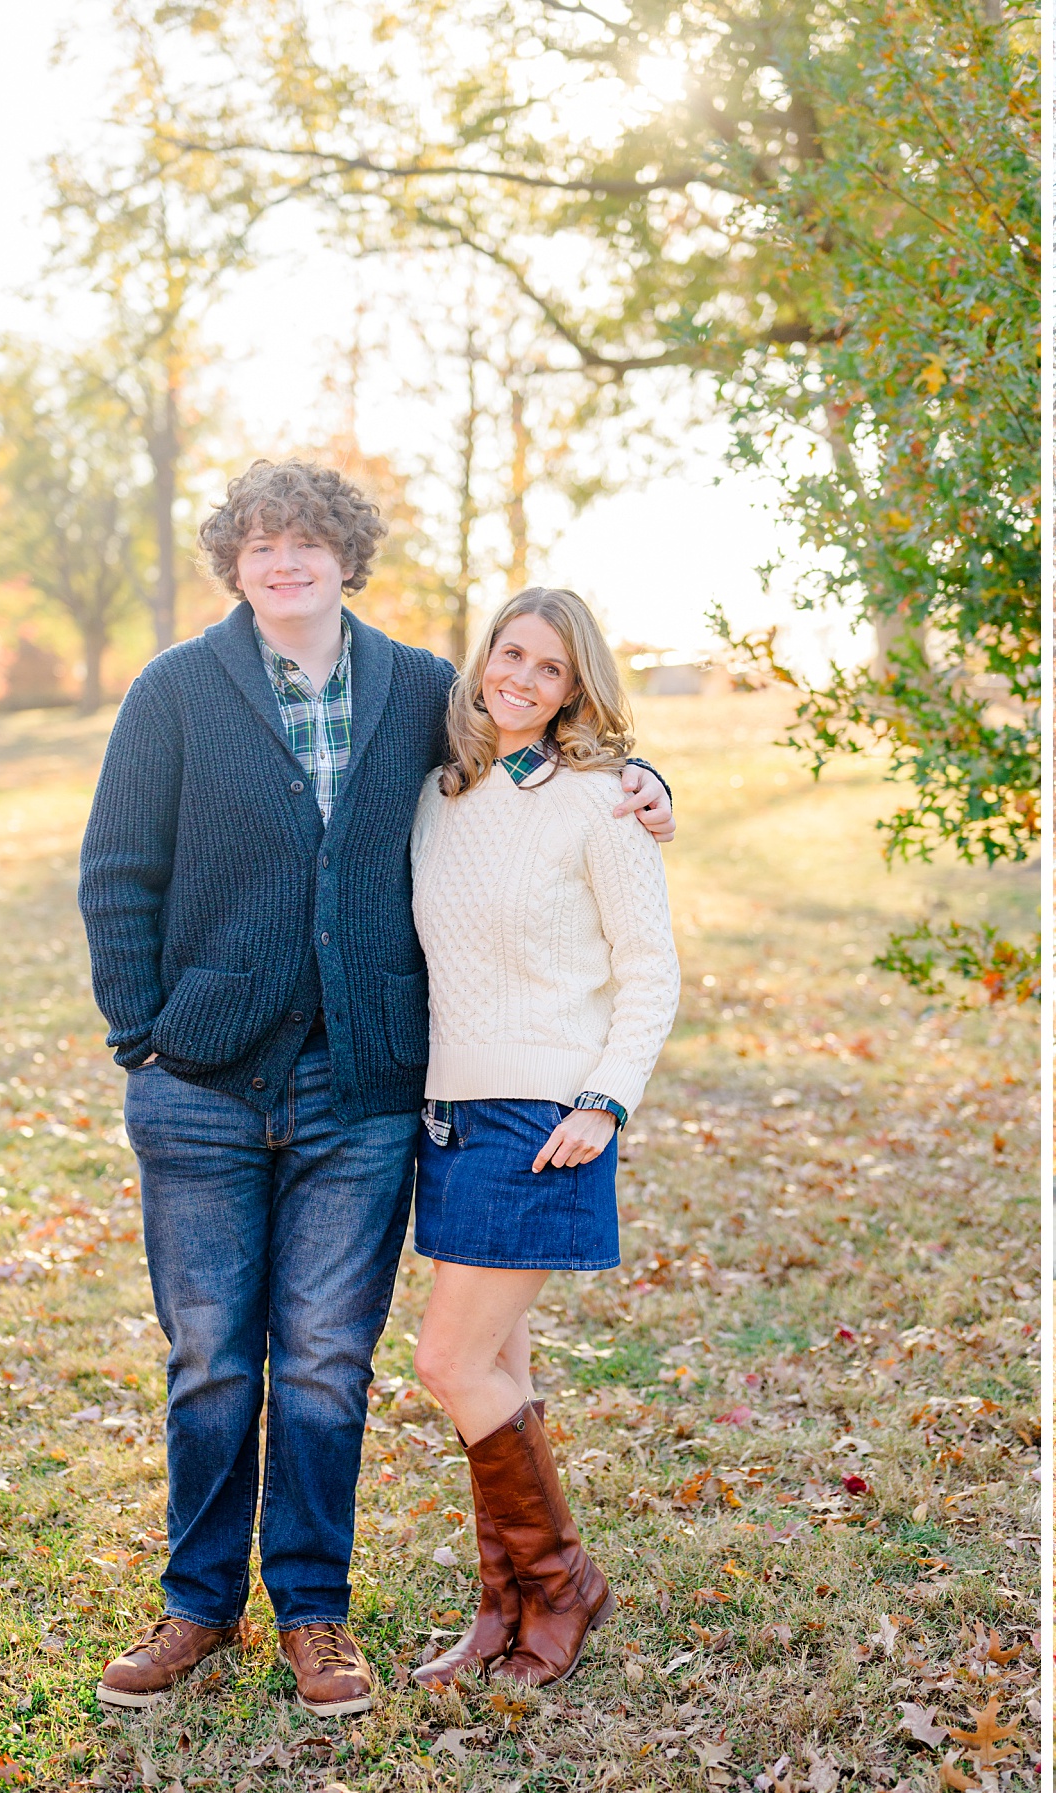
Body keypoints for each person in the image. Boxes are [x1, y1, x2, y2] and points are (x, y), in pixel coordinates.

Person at [79, 461, 675, 1717]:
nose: (284, 560)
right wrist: (142, 1033)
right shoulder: (176, 690)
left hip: (362, 1092)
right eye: (260, 542)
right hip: (200, 1087)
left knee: (326, 1364)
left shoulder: (417, 689)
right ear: (233, 561)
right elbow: (117, 870)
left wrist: (650, 781)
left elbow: (551, 750)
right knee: (207, 1361)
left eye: (308, 541)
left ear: (347, 557)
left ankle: (314, 1614)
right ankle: (199, 1607)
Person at [406, 588, 680, 1689]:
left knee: (447, 1359)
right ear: (483, 657)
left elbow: (649, 967)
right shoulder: (437, 792)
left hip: (545, 1118)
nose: (521, 677)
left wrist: (606, 1098)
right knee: (498, 1371)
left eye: (550, 668)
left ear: (577, 690)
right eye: (510, 653)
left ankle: (563, 1583)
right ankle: (502, 1607)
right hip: (448, 1114)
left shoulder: (601, 802)